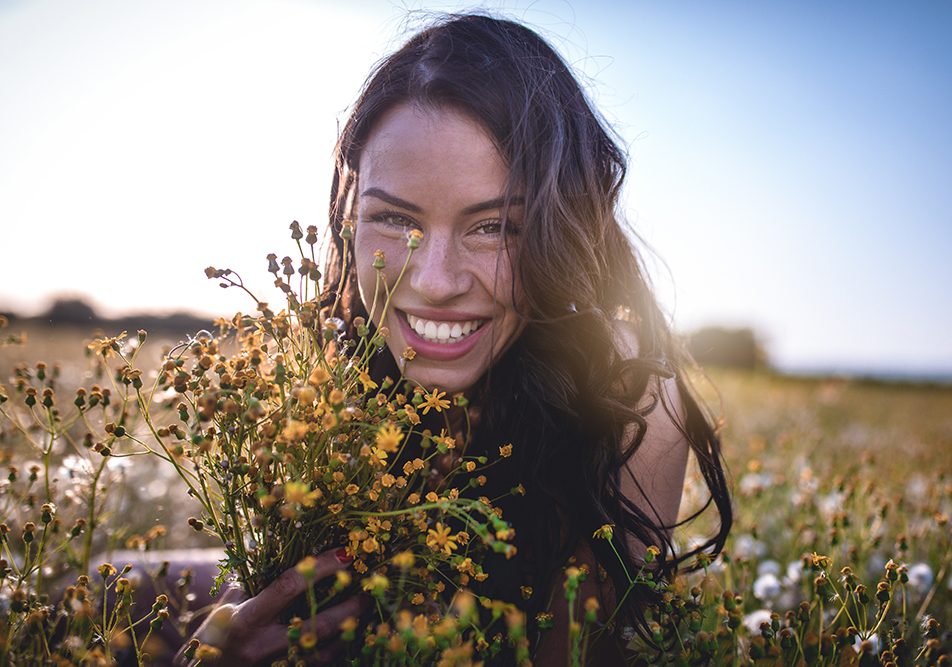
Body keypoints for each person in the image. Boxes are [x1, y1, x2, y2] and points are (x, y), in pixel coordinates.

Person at [175, 12, 732, 665]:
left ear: (559, 230)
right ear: (352, 213)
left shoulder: (624, 389)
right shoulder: (335, 355)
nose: (434, 282)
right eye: (392, 217)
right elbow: (275, 591)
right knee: (112, 586)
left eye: (493, 227)